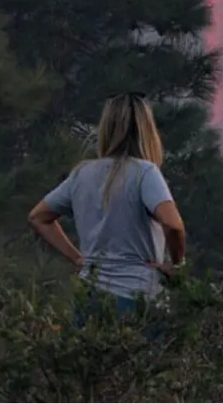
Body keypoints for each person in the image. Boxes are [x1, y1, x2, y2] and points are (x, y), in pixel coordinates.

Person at [27, 92, 187, 320]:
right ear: (147, 131)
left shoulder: (82, 174)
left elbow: (38, 217)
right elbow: (173, 225)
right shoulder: (145, 172)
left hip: (89, 296)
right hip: (138, 296)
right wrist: (177, 268)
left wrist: (78, 259)